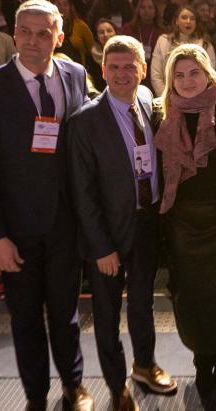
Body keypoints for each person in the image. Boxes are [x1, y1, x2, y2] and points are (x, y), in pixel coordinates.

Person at [0, 0, 93, 411]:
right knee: (24, 319)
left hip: (66, 223)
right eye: (26, 31)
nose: (34, 41)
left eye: (44, 33)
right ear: (13, 34)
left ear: (59, 36)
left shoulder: (75, 73)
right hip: (15, 230)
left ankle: (74, 385)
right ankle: (36, 396)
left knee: (66, 315)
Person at [67, 36, 177, 411]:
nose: (122, 74)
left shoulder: (148, 101)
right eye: (114, 67)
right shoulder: (84, 121)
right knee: (107, 313)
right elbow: (82, 193)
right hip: (108, 234)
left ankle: (144, 365)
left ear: (143, 70)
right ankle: (117, 386)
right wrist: (101, 247)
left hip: (147, 223)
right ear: (102, 71)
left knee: (144, 303)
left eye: (130, 66)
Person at [154, 44, 216, 409]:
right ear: (170, 79)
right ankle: (201, 360)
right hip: (181, 223)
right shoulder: (162, 114)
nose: (187, 81)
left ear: (208, 74)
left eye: (194, 73)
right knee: (189, 299)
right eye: (179, 74)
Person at [150, 5, 216, 94]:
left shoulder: (205, 44)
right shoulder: (163, 41)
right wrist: (166, 98)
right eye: (184, 18)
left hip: (197, 98)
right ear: (177, 21)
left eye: (192, 19)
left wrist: (194, 98)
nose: (188, 21)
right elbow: (156, 75)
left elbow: (210, 75)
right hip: (168, 98)